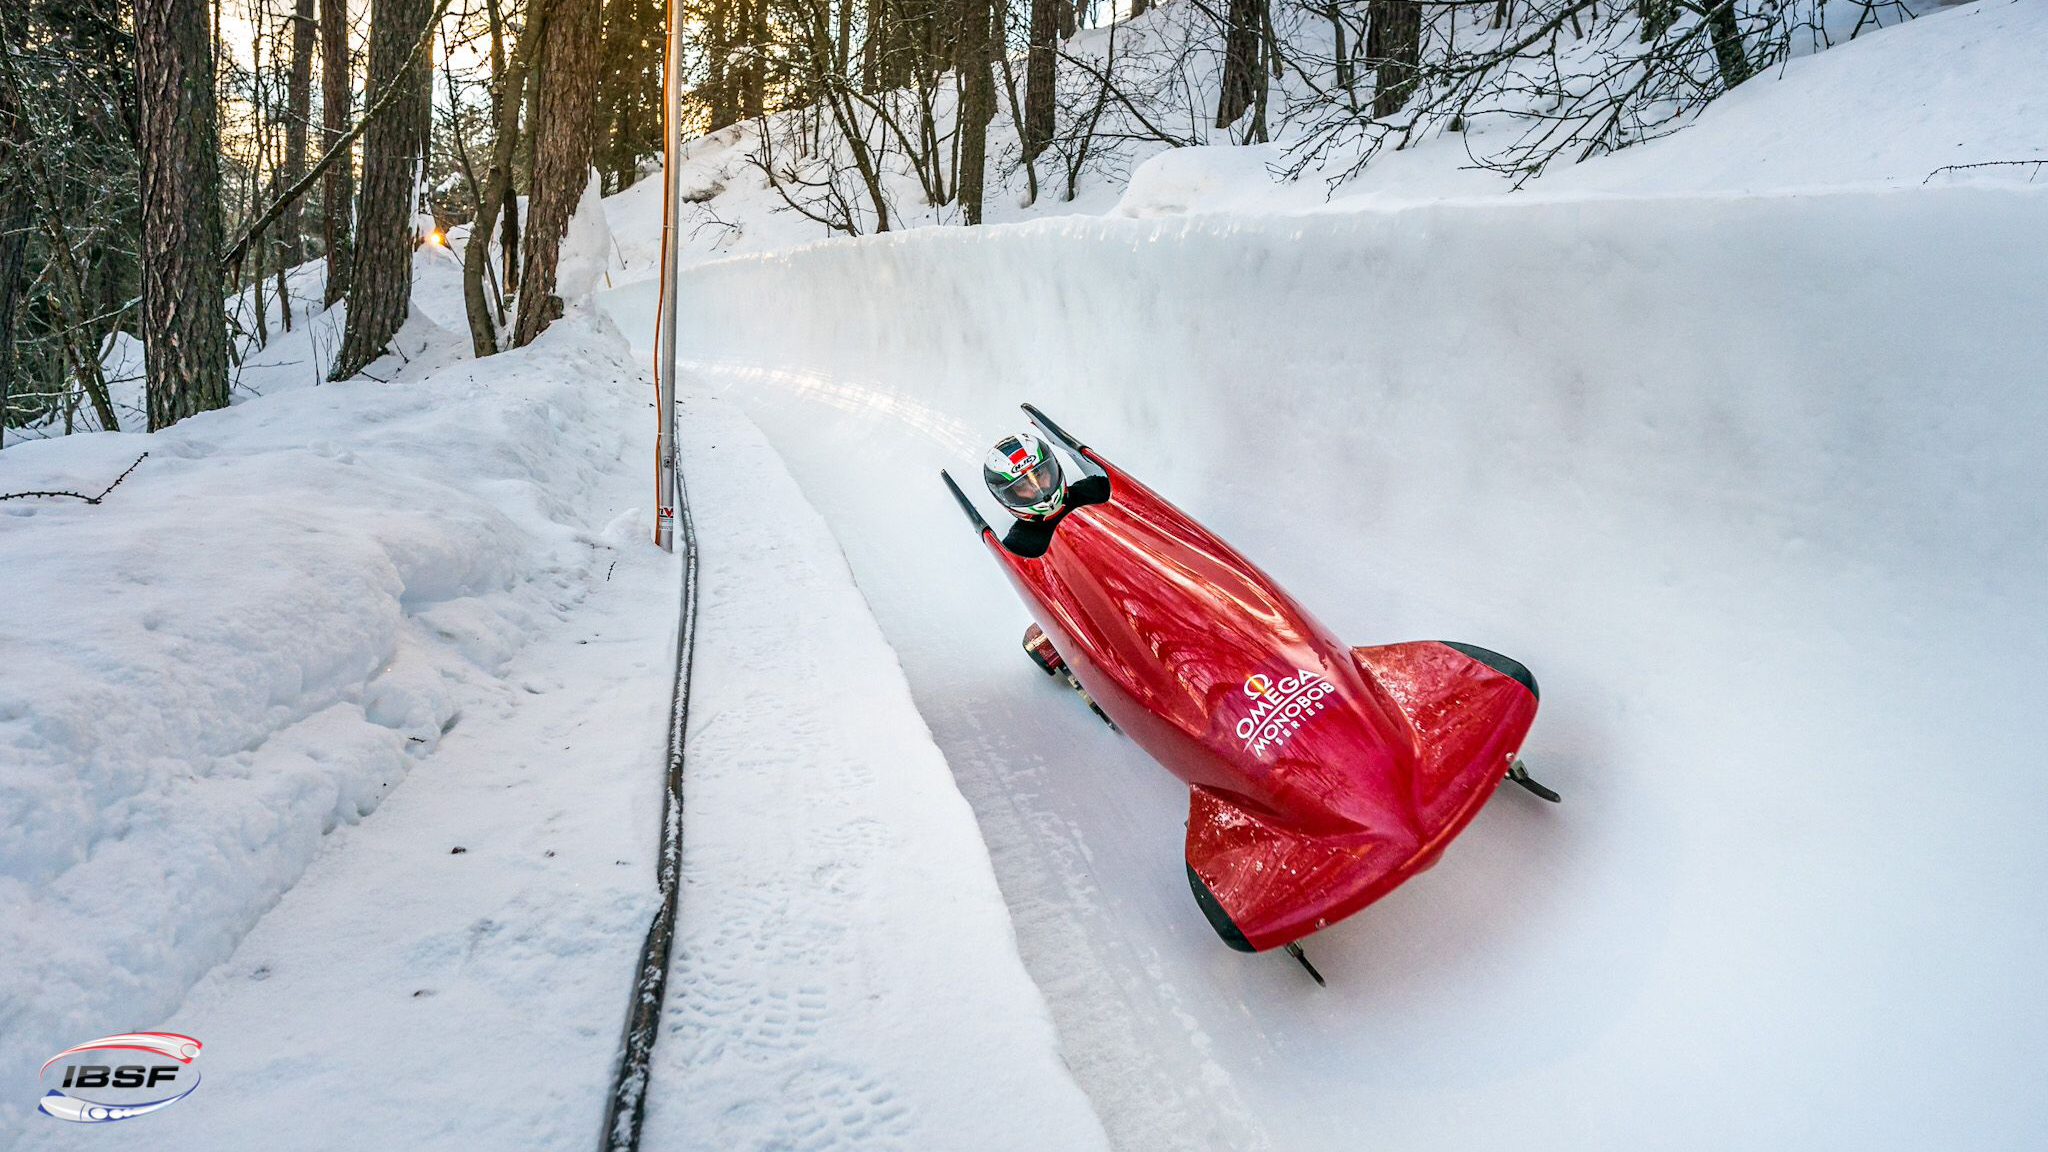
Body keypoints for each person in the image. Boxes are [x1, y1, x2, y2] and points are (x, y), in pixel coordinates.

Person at [982, 431, 1109, 556]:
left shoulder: (1096, 489)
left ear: (1052, 468)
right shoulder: (1019, 547)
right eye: (1021, 486)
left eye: (1039, 475)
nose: (1037, 488)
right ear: (1009, 496)